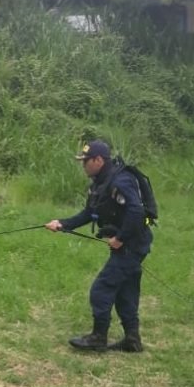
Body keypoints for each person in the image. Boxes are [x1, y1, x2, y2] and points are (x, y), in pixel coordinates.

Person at [45, 140, 153, 352]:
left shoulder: (120, 181)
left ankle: (98, 338)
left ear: (98, 160)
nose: (83, 165)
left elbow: (136, 212)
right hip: (129, 244)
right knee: (126, 291)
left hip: (132, 244)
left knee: (101, 289)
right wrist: (62, 224)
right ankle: (132, 340)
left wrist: (120, 238)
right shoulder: (99, 184)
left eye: (86, 161)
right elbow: (88, 214)